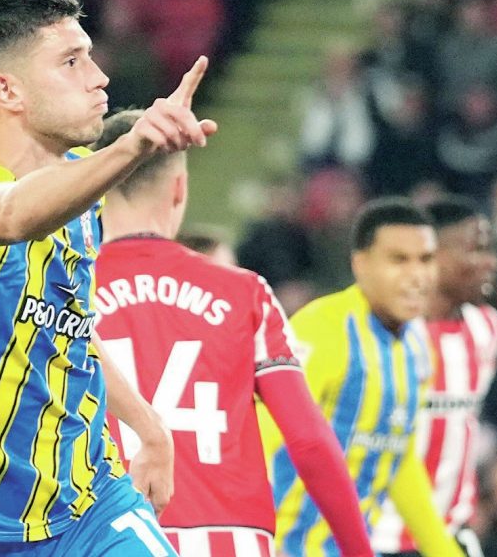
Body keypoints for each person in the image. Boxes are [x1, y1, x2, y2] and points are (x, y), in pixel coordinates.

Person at [0, 0, 217, 556]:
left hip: (87, 502)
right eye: (71, 62)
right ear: (6, 90)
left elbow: (68, 322)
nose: (99, 78)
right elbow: (13, 215)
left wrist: (149, 426)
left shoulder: (84, 191)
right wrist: (130, 148)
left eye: (90, 56)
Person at [89, 110, 373, 557]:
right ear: (180, 189)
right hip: (232, 541)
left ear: (95, 192)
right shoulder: (245, 293)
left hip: (107, 539)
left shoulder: (63, 290)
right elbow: (309, 440)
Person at [260, 198, 466, 557]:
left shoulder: (417, 347)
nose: (417, 275)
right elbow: (262, 436)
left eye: (425, 260)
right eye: (399, 260)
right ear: (361, 264)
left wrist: (444, 551)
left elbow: (396, 456)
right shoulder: (321, 330)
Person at [371, 196, 497, 557]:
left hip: (451, 537)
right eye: (475, 250)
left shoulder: (487, 328)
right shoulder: (379, 336)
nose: (491, 262)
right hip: (378, 538)